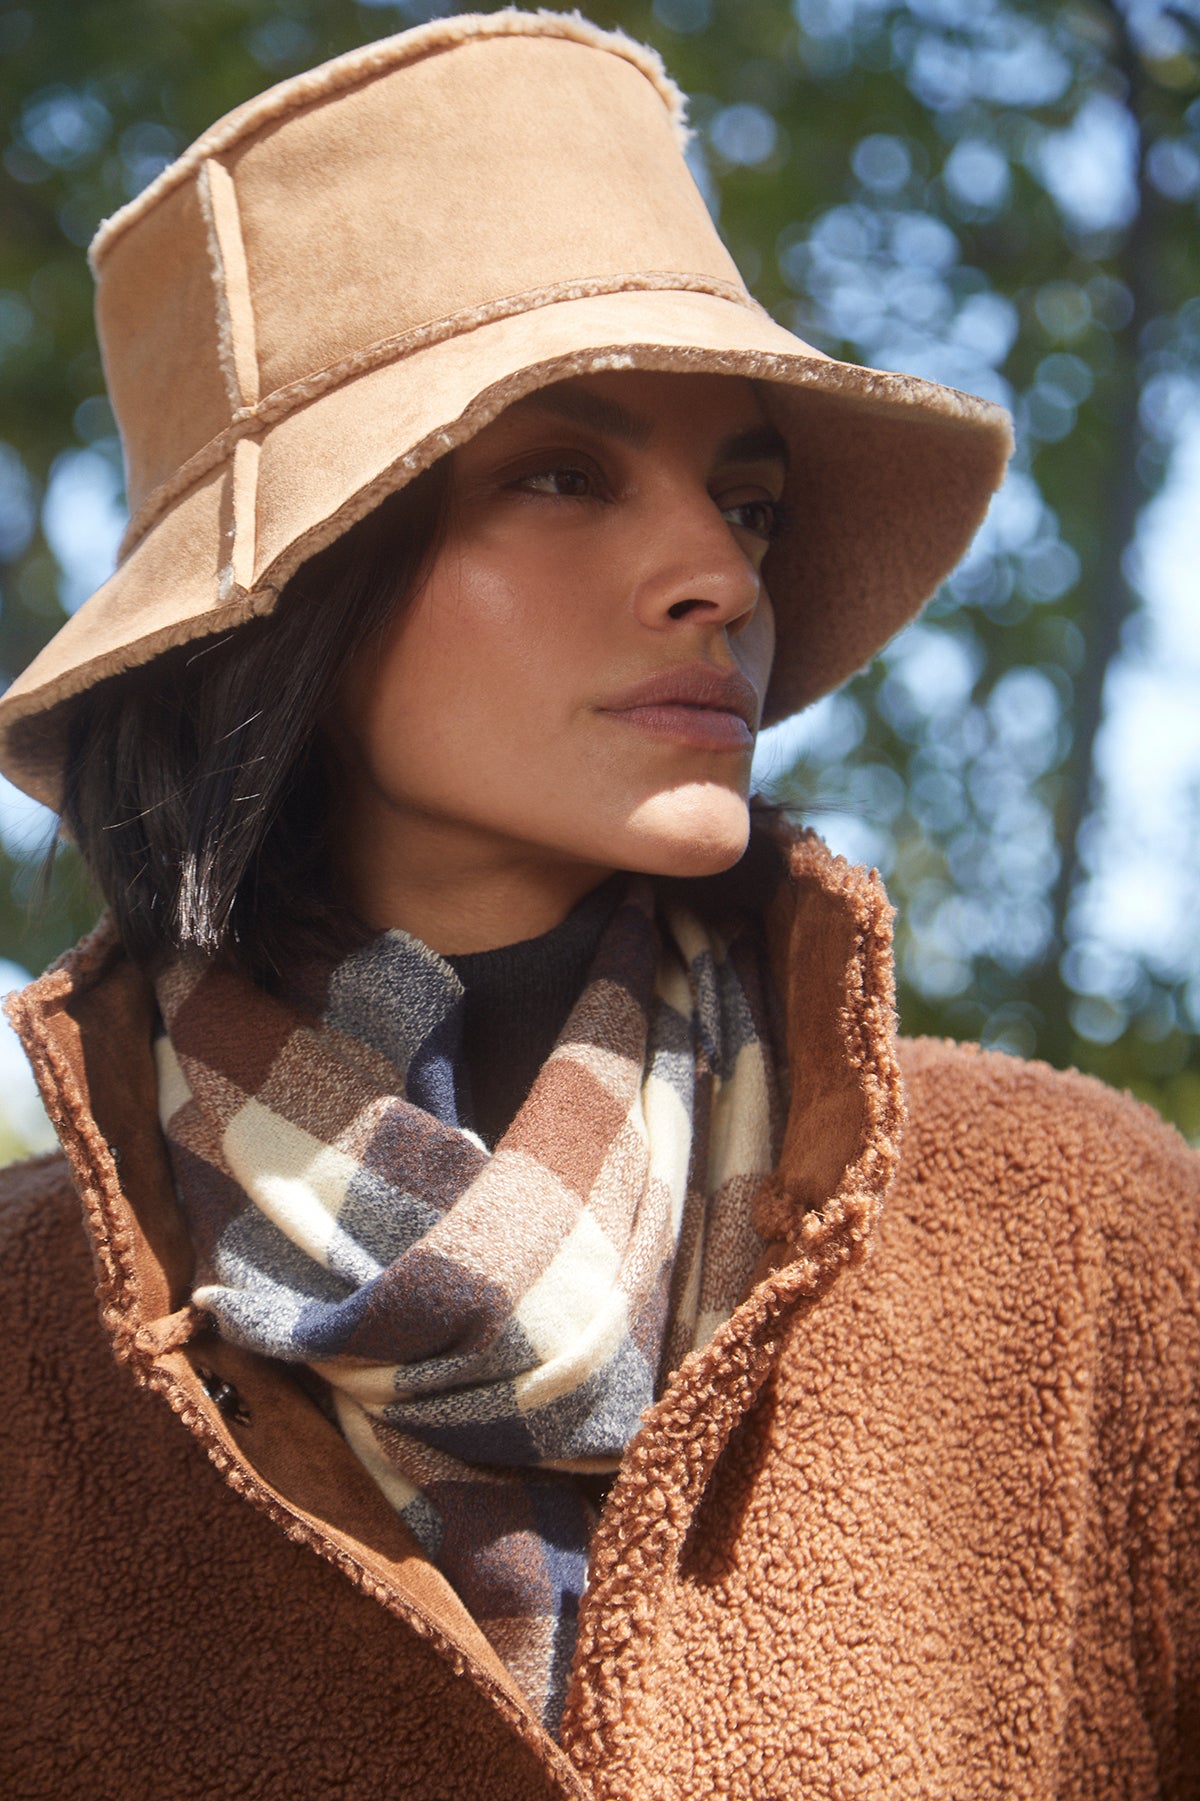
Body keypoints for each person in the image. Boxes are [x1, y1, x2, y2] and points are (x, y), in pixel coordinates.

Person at [0, 10, 1197, 1799]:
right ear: (293, 610)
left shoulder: (1094, 1252)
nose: (721, 572)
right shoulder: (29, 1362)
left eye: (748, 497)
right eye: (563, 471)